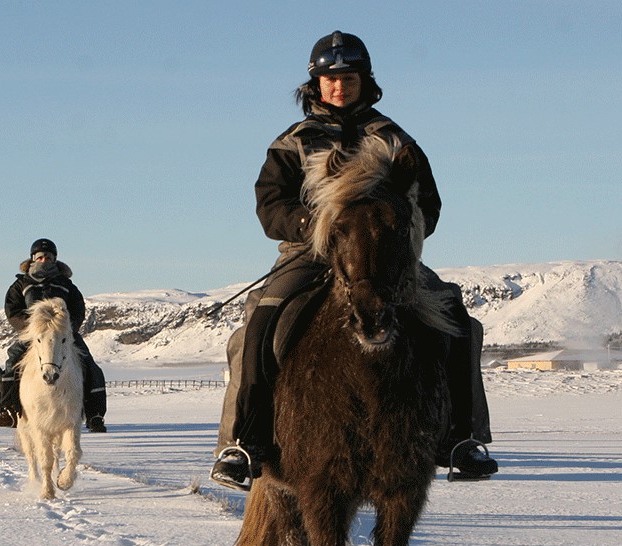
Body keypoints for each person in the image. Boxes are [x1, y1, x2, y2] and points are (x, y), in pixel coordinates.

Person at [210, 31, 498, 490]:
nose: (339, 86)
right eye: (330, 78)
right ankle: (244, 442)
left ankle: (461, 439)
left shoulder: (396, 139)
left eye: (348, 77)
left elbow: (429, 202)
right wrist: (312, 227)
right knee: (258, 323)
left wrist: (400, 233)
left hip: (385, 255)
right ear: (316, 84)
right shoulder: (293, 143)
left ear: (364, 80)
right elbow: (270, 204)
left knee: (456, 317)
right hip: (311, 251)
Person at [0, 238, 107, 432]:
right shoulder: (20, 284)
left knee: (90, 365)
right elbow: (12, 311)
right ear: (32, 259)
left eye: (48, 257)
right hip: (33, 336)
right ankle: (10, 410)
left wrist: (66, 328)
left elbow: (78, 308)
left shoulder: (66, 285)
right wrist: (32, 328)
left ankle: (94, 414)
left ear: (54, 259)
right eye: (40, 257)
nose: (44, 260)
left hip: (63, 336)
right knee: (12, 364)